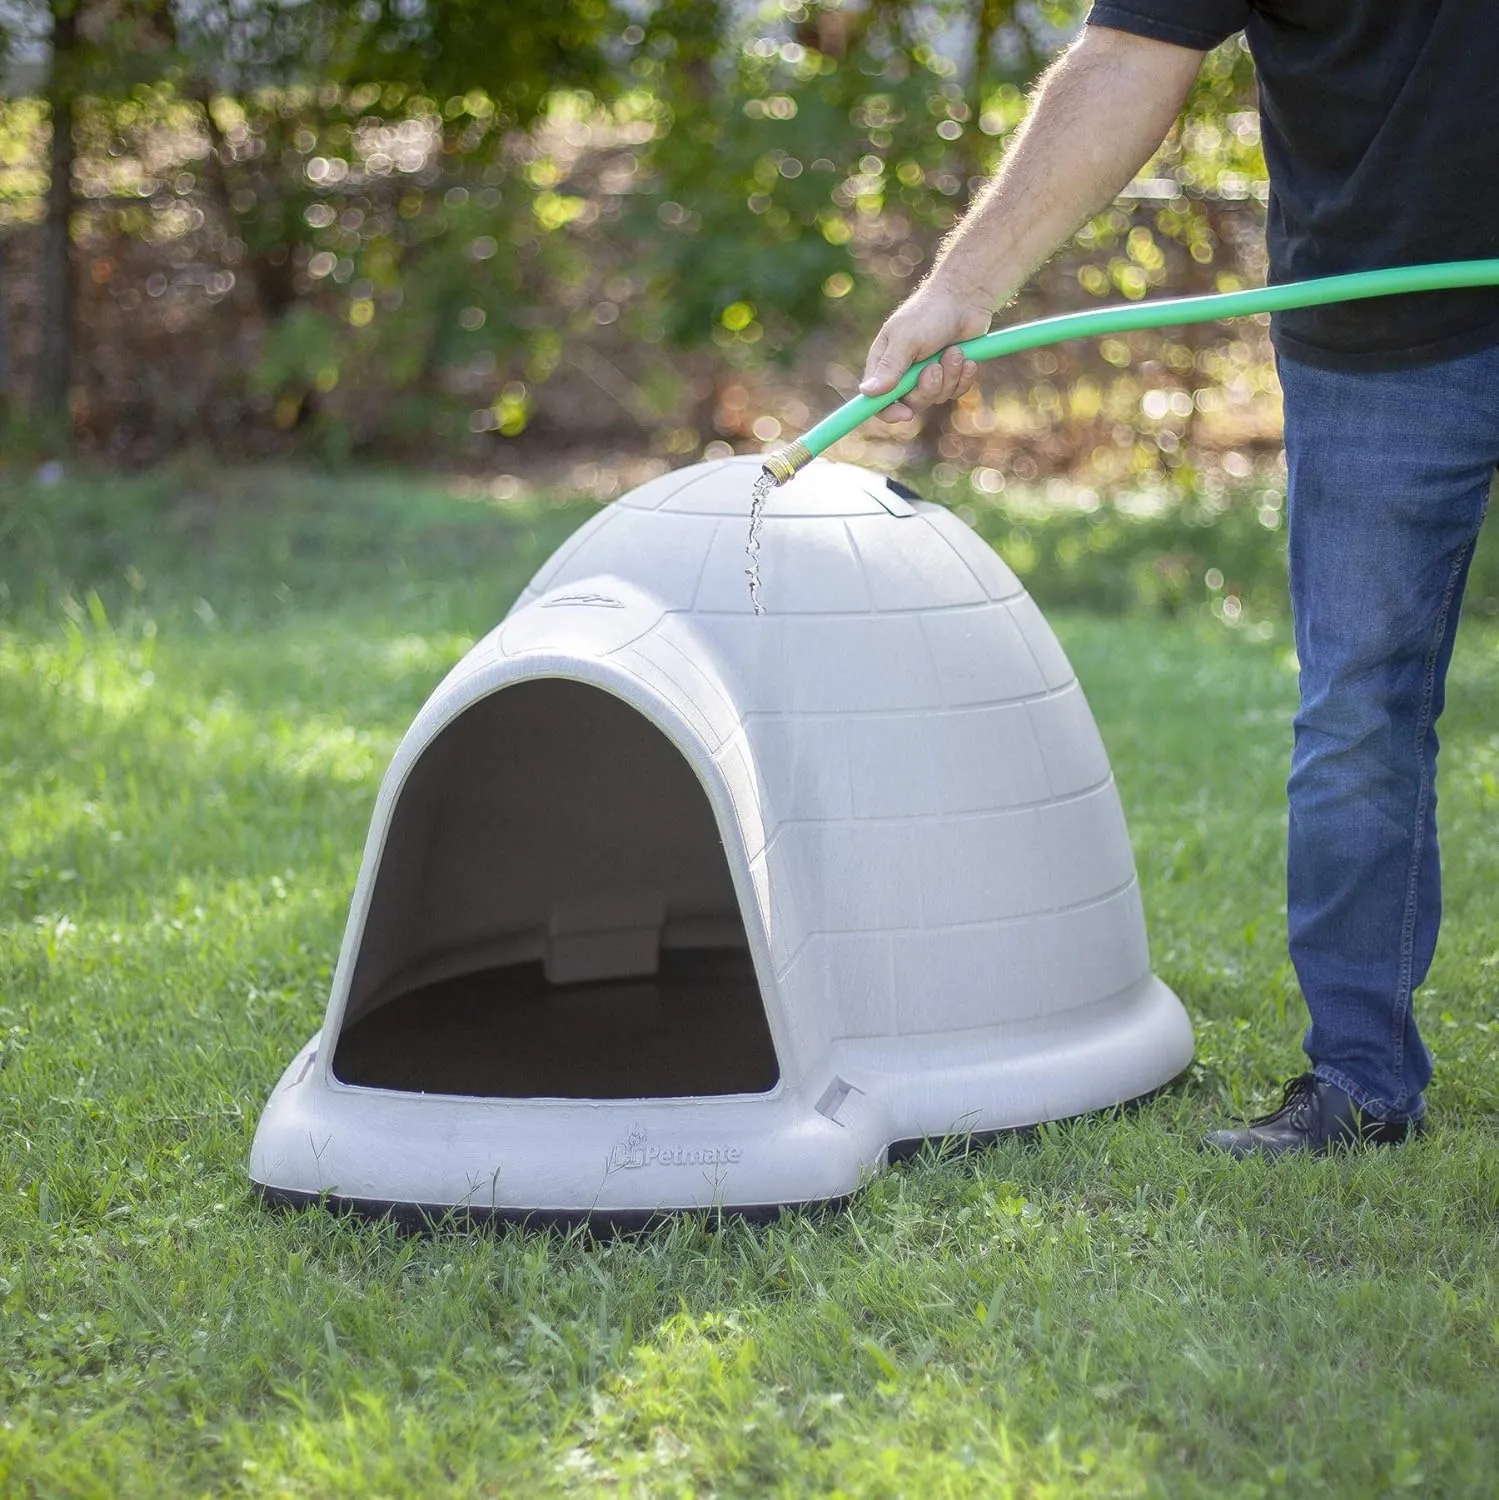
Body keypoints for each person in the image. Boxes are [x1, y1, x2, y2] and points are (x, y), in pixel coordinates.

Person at [859, 2, 1499, 1157]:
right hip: (1375, 329)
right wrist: (962, 284)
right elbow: (1125, 58)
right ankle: (1359, 1079)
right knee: (1358, 714)